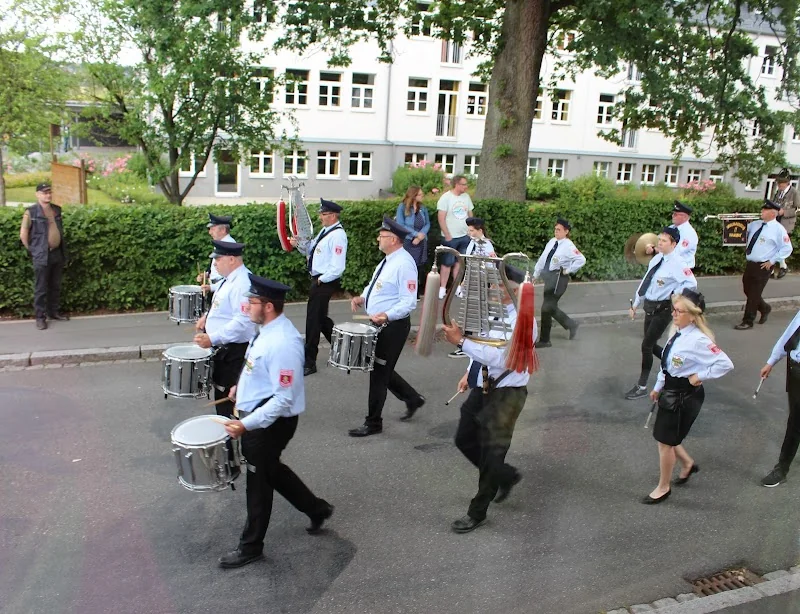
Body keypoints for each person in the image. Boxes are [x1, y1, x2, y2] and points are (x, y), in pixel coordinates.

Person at [218, 274, 333, 569]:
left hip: (269, 424)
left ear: (267, 306)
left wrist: (246, 424)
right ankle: (316, 508)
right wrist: (239, 389)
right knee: (272, 471)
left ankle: (251, 546)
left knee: (258, 483)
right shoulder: (266, 330)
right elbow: (258, 369)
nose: (247, 306)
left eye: (252, 301)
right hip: (260, 417)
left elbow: (282, 398)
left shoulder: (283, 342)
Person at [443, 266, 536, 533]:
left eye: (499, 286)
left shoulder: (524, 320)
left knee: (492, 454)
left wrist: (461, 342)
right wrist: (468, 372)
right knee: (463, 438)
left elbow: (502, 358)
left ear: (516, 290)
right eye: (493, 285)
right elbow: (482, 345)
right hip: (483, 385)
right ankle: (506, 476)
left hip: (508, 394)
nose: (493, 290)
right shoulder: (493, 312)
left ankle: (477, 512)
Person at [644, 289, 733, 504]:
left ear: (692, 315)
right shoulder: (678, 331)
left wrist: (699, 376)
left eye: (678, 310)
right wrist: (658, 386)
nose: (673, 314)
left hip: (684, 397)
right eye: (673, 309)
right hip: (670, 391)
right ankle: (688, 464)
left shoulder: (698, 340)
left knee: (664, 442)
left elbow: (725, 364)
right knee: (667, 436)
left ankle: (663, 487)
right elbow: (667, 363)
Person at [348, 216, 426, 437]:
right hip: (380, 323)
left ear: (393, 239)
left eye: (381, 236)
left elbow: (409, 300)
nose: (378, 239)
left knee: (378, 373)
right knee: (380, 368)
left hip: (392, 327)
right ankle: (412, 398)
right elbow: (377, 286)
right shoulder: (389, 259)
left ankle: (373, 423)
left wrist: (388, 315)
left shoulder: (404, 264)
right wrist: (362, 297)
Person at [625, 227, 697, 400]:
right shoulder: (657, 259)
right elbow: (646, 282)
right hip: (649, 307)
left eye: (664, 241)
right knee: (651, 344)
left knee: (647, 345)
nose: (659, 243)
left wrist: (675, 296)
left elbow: (691, 283)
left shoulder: (678, 263)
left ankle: (642, 386)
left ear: (674, 244)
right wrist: (635, 303)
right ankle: (677, 366)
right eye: (659, 239)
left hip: (662, 310)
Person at [194, 240, 257, 418]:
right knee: (223, 396)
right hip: (226, 350)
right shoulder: (230, 279)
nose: (214, 263)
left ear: (231, 259)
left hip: (234, 352)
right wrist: (206, 317)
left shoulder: (242, 283)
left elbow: (243, 322)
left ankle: (232, 441)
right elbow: (223, 307)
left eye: (218, 259)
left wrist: (212, 338)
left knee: (230, 402)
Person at [292, 199, 348, 376]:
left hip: (324, 281)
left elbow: (338, 266)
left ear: (332, 216)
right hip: (319, 279)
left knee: (313, 320)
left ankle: (309, 362)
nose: (320, 217)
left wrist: (322, 280)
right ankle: (344, 351)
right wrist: (299, 244)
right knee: (321, 319)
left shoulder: (338, 235)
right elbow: (310, 250)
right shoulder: (326, 231)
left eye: (323, 214)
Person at [756, 309, 800, 487]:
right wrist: (772, 360)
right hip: (795, 369)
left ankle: (781, 469)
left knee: (795, 423)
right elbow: (790, 334)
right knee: (795, 419)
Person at [734, 199, 793, 330]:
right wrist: (736, 219)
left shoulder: (778, 229)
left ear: (773, 213)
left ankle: (748, 321)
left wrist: (772, 261)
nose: (762, 211)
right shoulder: (756, 224)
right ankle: (765, 308)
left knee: (754, 293)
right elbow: (741, 229)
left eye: (765, 210)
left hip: (763, 266)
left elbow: (786, 248)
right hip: (751, 263)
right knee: (747, 289)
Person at [19, 182, 69, 330]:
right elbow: (23, 234)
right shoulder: (31, 212)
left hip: (57, 253)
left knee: (55, 285)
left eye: (49, 192)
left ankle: (53, 312)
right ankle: (40, 318)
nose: (47, 195)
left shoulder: (56, 210)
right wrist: (33, 250)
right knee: (41, 288)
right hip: (42, 255)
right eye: (44, 193)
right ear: (37, 194)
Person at [533, 217, 585, 348]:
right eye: (555, 229)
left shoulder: (569, 245)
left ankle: (545, 340)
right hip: (549, 277)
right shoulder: (552, 242)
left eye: (559, 230)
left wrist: (568, 270)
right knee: (549, 307)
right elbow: (543, 258)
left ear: (566, 231)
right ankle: (571, 324)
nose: (556, 232)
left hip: (559, 279)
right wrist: (536, 274)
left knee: (546, 308)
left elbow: (581, 259)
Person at [448, 217, 497, 358]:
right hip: (471, 280)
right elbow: (467, 262)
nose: (469, 233)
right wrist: (464, 281)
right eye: (468, 230)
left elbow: (491, 264)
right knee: (470, 313)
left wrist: (491, 281)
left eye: (471, 230)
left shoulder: (486, 245)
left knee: (476, 313)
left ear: (479, 230)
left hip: (481, 281)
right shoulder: (472, 243)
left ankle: (472, 343)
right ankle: (469, 342)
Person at [436, 174, 474, 299]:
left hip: (464, 235)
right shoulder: (446, 198)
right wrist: (447, 234)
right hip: (451, 236)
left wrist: (471, 230)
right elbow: (441, 217)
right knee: (447, 263)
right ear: (456, 184)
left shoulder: (466, 197)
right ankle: (442, 288)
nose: (466, 186)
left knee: (460, 262)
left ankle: (457, 287)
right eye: (463, 184)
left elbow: (470, 214)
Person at [395, 185, 430, 297]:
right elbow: (401, 224)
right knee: (408, 265)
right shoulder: (403, 207)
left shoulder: (422, 208)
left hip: (421, 240)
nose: (422, 196)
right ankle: (406, 289)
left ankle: (416, 290)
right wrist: (415, 235)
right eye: (420, 195)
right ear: (413, 196)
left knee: (419, 266)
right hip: (408, 240)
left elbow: (428, 223)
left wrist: (421, 235)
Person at [645, 201, 698, 269]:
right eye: (673, 214)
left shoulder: (689, 233)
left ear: (684, 217)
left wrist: (655, 250)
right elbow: (657, 240)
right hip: (669, 268)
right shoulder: (671, 228)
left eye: (675, 214)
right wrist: (650, 246)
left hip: (682, 270)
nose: (672, 216)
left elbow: (675, 252)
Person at [197, 214, 236, 292]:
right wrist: (207, 274)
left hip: (222, 288)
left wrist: (212, 287)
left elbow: (230, 275)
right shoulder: (221, 243)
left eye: (213, 229)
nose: (210, 232)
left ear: (223, 230)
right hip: (216, 286)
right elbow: (215, 264)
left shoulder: (228, 245)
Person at [773, 168, 799, 278]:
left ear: (787, 183)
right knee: (774, 244)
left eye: (781, 183)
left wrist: (785, 212)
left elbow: (798, 209)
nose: (779, 185)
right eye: (778, 183)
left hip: (787, 223)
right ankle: (780, 266)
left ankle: (783, 266)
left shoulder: (794, 193)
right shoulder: (778, 192)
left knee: (781, 245)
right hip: (776, 221)